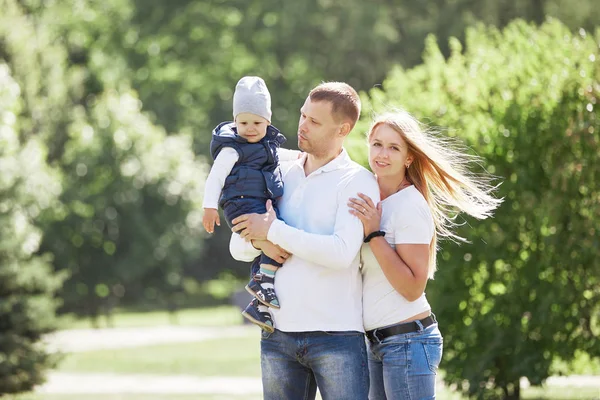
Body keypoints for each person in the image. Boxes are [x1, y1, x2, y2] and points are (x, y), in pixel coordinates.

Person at [229, 82, 380, 400]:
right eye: (302, 115)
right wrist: (262, 243)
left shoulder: (357, 181)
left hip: (337, 336)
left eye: (314, 121)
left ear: (343, 129)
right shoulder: (278, 171)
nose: (302, 125)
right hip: (277, 336)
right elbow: (237, 245)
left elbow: (340, 253)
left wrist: (273, 231)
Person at [348, 110, 502, 399]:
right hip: (374, 343)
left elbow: (412, 287)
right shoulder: (368, 193)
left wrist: (374, 234)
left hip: (407, 341)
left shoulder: (410, 205)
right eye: (377, 144)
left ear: (408, 157)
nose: (383, 154)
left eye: (394, 147)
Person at [202, 76, 299, 331]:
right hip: (241, 204)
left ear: (268, 121)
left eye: (257, 122)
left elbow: (282, 156)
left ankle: (260, 300)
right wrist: (209, 206)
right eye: (243, 122)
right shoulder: (232, 149)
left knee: (276, 240)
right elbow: (216, 177)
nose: (251, 128)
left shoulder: (267, 146)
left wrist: (303, 156)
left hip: (259, 203)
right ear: (235, 122)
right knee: (275, 241)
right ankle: (262, 286)